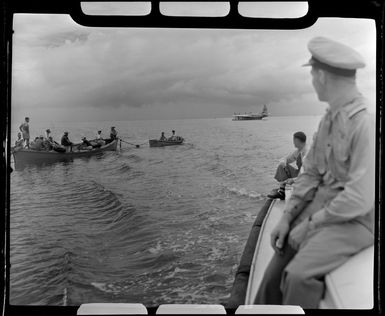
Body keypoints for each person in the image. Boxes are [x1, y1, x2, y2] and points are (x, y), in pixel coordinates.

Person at [254, 37, 374, 308]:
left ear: (321, 76)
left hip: (356, 221)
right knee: (273, 274)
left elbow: (360, 198)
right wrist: (287, 218)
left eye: (312, 73)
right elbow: (309, 174)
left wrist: (310, 225)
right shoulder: (329, 120)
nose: (311, 79)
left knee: (298, 276)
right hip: (324, 211)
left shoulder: (364, 123)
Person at [267, 131, 308, 200]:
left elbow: (308, 174)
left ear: (297, 141)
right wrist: (283, 162)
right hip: (300, 175)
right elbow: (286, 159)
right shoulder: (298, 151)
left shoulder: (308, 154)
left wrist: (293, 180)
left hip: (308, 178)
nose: (293, 142)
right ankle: (282, 191)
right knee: (282, 165)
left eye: (294, 140)